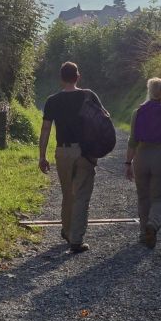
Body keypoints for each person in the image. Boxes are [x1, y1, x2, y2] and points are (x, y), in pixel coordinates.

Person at [38, 61, 107, 254]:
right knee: (82, 195)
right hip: (85, 152)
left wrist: (42, 156)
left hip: (63, 152)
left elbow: (45, 130)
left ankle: (68, 231)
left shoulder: (52, 101)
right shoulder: (89, 95)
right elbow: (104, 120)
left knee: (68, 193)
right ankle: (76, 240)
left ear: (61, 78)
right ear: (78, 77)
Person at [125, 77, 161, 249]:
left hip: (141, 156)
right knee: (158, 197)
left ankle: (144, 234)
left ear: (150, 91)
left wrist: (128, 162)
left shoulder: (138, 112)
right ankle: (153, 224)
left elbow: (132, 140)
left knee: (143, 197)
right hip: (160, 156)